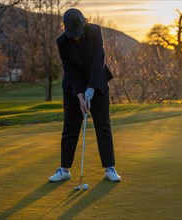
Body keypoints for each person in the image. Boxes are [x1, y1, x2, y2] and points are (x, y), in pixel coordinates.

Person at [49, 8, 121, 182]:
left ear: (84, 23)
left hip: (97, 83)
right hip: (73, 88)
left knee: (103, 126)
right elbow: (70, 70)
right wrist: (81, 96)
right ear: (65, 28)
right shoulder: (62, 42)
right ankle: (64, 169)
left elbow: (98, 60)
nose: (76, 37)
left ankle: (109, 168)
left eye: (78, 32)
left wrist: (91, 88)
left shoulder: (95, 31)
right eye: (73, 34)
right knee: (70, 127)